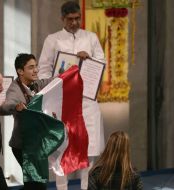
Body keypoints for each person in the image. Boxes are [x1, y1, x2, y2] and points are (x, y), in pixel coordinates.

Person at [38, 1, 105, 189]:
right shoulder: (53, 39)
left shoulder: (91, 38)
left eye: (77, 18)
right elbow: (43, 70)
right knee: (62, 149)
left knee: (89, 150)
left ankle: (86, 187)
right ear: (62, 19)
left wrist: (89, 59)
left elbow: (101, 64)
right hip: (63, 102)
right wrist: (57, 82)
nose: (75, 23)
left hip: (87, 102)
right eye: (70, 19)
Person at [0, 53, 52, 190]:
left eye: (36, 66)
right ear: (20, 71)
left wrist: (70, 72)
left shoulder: (36, 84)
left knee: (34, 184)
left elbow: (53, 81)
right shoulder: (14, 89)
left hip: (36, 144)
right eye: (31, 67)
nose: (36, 70)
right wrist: (15, 107)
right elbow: (5, 106)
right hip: (22, 146)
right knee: (37, 184)